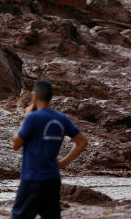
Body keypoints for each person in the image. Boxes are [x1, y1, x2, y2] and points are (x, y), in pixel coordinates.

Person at [11, 80, 88, 219]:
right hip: (52, 179)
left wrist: (26, 117)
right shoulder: (61, 118)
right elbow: (82, 142)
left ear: (34, 97)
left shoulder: (33, 118)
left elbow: (16, 144)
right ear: (50, 97)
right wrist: (62, 164)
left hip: (32, 179)